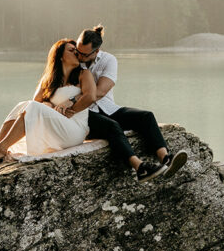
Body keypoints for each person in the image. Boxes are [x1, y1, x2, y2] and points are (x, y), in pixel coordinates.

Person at [64, 24, 187, 181]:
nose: (80, 56)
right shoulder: (73, 61)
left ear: (97, 51)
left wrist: (75, 98)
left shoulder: (109, 60)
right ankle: (140, 169)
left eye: (85, 54)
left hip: (108, 108)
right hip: (84, 113)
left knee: (146, 116)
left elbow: (100, 92)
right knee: (112, 127)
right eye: (78, 51)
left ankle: (166, 159)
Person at [0, 38, 97, 163]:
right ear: (60, 56)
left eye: (77, 51)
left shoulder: (83, 74)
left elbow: (91, 96)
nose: (76, 53)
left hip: (74, 130)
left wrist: (72, 107)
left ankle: (1, 149)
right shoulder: (49, 79)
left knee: (31, 106)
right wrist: (47, 103)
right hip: (56, 127)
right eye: (71, 50)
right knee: (22, 105)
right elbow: (36, 101)